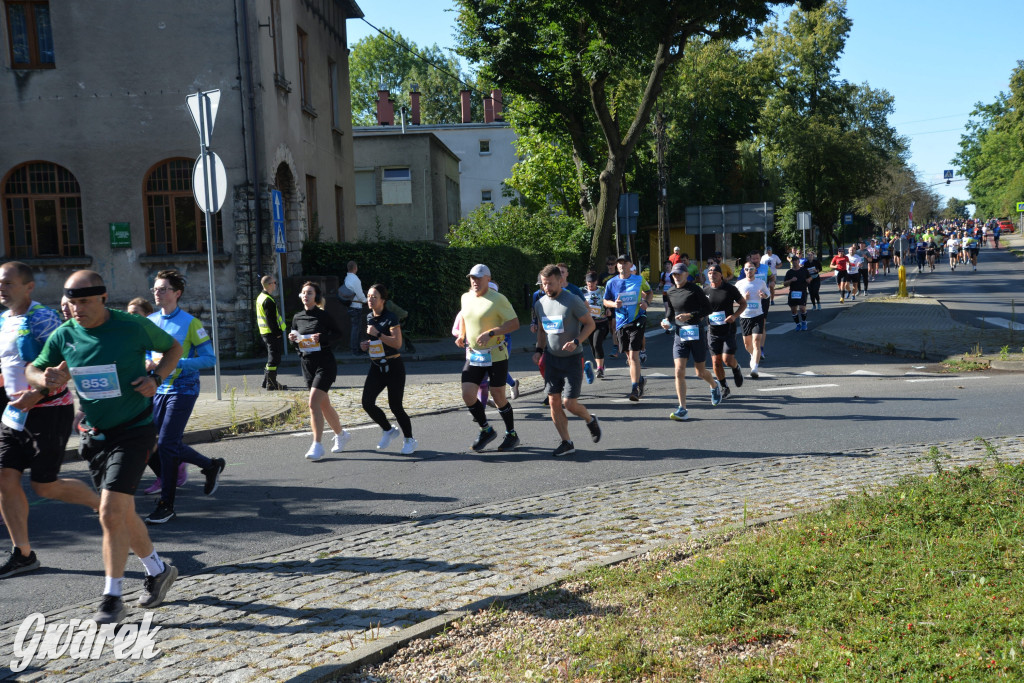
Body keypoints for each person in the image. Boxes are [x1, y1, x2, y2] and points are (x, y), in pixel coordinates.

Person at [26, 270, 182, 624]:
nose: (76, 309)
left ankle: (112, 598)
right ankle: (158, 570)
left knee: (110, 512)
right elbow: (34, 370)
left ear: (102, 298)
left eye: (84, 302)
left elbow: (174, 348)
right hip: (95, 436)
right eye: (71, 303)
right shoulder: (65, 334)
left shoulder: (131, 326)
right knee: (122, 514)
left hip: (134, 430)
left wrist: (156, 378)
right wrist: (44, 378)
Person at [0, 262, 100, 579]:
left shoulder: (42, 317)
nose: (1, 288)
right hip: (15, 413)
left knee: (44, 486)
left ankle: (104, 506)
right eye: (0, 283)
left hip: (49, 409)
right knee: (4, 478)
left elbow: (66, 358)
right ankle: (23, 554)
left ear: (28, 287)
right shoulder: (4, 319)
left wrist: (38, 393)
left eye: (8, 283)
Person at [141, 270, 226, 525]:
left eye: (163, 289)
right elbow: (146, 354)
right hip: (158, 388)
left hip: (183, 389)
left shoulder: (191, 323)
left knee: (167, 443)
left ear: (177, 293)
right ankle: (210, 465)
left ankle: (166, 504)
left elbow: (209, 359)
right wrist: (148, 363)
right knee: (150, 441)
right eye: (155, 289)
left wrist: (176, 363)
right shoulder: (151, 320)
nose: (157, 292)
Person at [532, 264, 600, 456]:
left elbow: (590, 324)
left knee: (569, 404)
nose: (546, 288)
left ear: (560, 281)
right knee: (553, 402)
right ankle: (566, 442)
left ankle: (590, 419)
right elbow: (542, 331)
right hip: (552, 359)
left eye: (550, 283)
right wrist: (539, 350)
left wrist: (577, 341)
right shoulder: (540, 303)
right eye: (544, 284)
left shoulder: (572, 300)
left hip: (572, 359)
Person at [457, 264, 521, 452]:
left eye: (478, 278)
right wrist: (461, 335)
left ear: (488, 279)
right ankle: (486, 430)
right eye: (472, 278)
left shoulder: (498, 299)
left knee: (498, 395)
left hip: (496, 354)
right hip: (475, 355)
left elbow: (514, 324)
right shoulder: (466, 297)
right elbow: (465, 318)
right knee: (467, 394)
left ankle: (511, 434)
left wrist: (491, 333)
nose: (475, 281)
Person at [288, 282, 349, 461]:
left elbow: (338, 334)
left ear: (316, 297)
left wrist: (322, 338)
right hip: (307, 365)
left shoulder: (323, 316)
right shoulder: (297, 317)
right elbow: (297, 341)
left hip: (325, 364)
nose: (306, 296)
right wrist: (292, 339)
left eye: (310, 293)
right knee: (324, 405)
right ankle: (341, 435)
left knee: (313, 403)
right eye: (303, 293)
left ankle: (317, 444)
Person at [360, 284, 417, 455]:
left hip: (393, 366)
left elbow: (397, 343)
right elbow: (376, 342)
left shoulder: (391, 317)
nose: (370, 299)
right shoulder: (369, 317)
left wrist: (377, 334)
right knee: (367, 402)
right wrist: (367, 344)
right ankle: (388, 429)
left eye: (374, 297)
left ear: (383, 300)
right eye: (368, 296)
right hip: (376, 366)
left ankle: (409, 440)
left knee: (395, 406)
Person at [661, 263, 722, 421]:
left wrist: (690, 315)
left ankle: (714, 385)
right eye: (674, 274)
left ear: (686, 274)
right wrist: (666, 320)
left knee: (700, 372)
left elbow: (708, 309)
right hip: (680, 334)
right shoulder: (670, 291)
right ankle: (682, 408)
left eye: (679, 274)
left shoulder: (694, 289)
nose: (676, 277)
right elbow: (671, 311)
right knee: (678, 371)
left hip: (696, 332)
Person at [604, 254, 652, 401]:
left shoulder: (639, 279)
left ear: (631, 265)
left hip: (637, 320)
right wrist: (614, 304)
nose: (621, 265)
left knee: (633, 356)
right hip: (620, 323)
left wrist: (646, 303)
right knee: (629, 357)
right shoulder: (611, 282)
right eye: (619, 263)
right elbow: (605, 301)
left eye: (625, 263)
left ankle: (634, 388)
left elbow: (649, 292)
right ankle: (640, 379)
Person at [703, 263, 746, 400]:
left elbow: (743, 303)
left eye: (715, 273)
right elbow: (700, 308)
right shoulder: (705, 290)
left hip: (728, 330)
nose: (712, 275)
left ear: (721, 275)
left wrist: (734, 316)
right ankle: (724, 387)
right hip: (712, 331)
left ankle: (736, 368)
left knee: (727, 360)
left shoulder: (729, 289)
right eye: (710, 273)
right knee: (716, 362)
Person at [735, 262, 771, 378]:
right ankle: (753, 354)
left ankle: (754, 367)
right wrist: (743, 299)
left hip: (758, 315)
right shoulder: (739, 284)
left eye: (751, 269)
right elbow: (733, 300)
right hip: (745, 316)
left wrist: (764, 295)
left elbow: (768, 293)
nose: (749, 271)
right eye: (746, 269)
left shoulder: (761, 283)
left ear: (755, 270)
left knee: (756, 341)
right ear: (744, 271)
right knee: (747, 344)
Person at [255, 275, 287, 390]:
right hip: (271, 333)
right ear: (269, 285)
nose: (275, 285)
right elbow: (271, 320)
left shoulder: (261, 297)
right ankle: (271, 383)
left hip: (265, 332)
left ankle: (266, 381)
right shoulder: (268, 300)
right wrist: (277, 333)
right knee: (274, 359)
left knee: (272, 357)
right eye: (274, 283)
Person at [582, 272, 609, 379]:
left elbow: (608, 300)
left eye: (592, 282)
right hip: (588, 324)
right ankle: (601, 364)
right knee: (593, 346)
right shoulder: (581, 291)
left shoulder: (602, 290)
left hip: (601, 322)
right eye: (588, 282)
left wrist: (608, 309)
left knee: (597, 343)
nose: (590, 284)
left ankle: (600, 369)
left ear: (596, 282)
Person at [342, 261, 368, 355]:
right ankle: (355, 350)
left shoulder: (347, 278)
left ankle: (356, 349)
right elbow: (360, 294)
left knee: (355, 328)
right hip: (356, 306)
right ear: (355, 268)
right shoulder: (355, 279)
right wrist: (366, 301)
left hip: (350, 306)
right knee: (356, 329)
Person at [784, 256, 812, 331]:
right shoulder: (789, 272)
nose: (795, 262)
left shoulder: (804, 270)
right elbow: (785, 284)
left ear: (799, 261)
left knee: (802, 308)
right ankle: (797, 324)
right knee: (793, 310)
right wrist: (791, 280)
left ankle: (804, 322)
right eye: (793, 261)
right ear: (792, 262)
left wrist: (809, 279)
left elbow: (810, 277)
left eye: (796, 260)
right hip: (793, 291)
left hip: (802, 291)